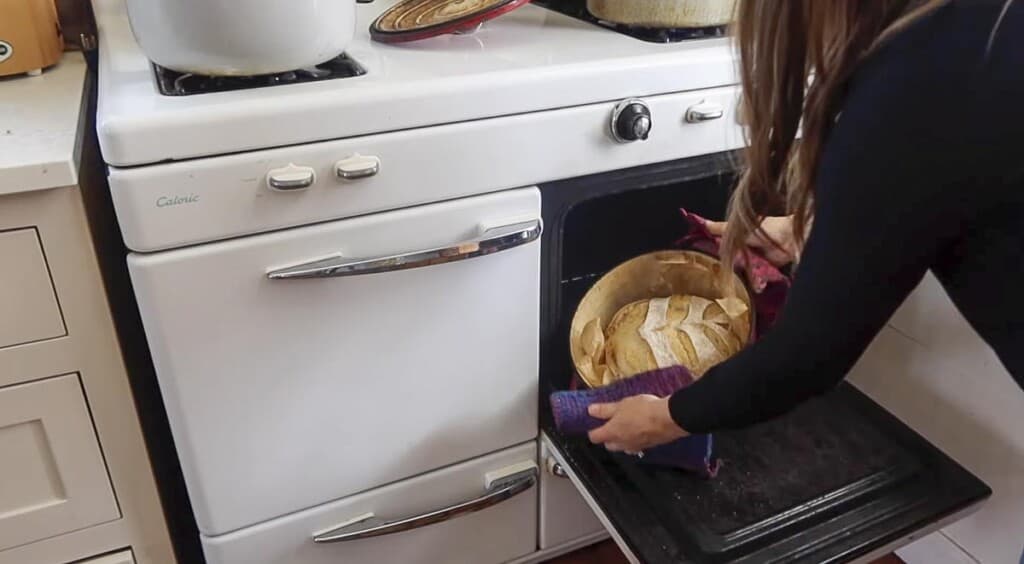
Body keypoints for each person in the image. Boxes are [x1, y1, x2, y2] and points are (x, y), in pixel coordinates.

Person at [586, 0, 1022, 557]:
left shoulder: (915, 82)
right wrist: (813, 226)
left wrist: (665, 418)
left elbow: (804, 357)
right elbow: (959, 190)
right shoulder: (979, 32)